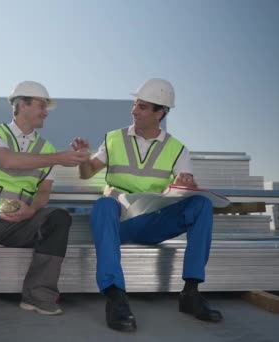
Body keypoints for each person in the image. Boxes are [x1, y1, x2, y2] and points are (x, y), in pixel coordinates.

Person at [71, 78, 223, 332]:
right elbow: (87, 173)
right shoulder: (113, 139)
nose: (134, 111)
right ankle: (115, 296)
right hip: (120, 221)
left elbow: (183, 182)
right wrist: (83, 159)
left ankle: (191, 293)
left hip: (154, 222)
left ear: (159, 113)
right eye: (135, 104)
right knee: (103, 206)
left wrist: (184, 181)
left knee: (201, 205)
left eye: (142, 107)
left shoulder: (177, 149)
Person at [0, 80, 89, 321]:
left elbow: (43, 192)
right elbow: (9, 161)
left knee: (59, 217)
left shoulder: (47, 147)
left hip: (22, 222)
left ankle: (38, 296)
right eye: (42, 106)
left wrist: (30, 211)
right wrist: (61, 157)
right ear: (22, 105)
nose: (46, 112)